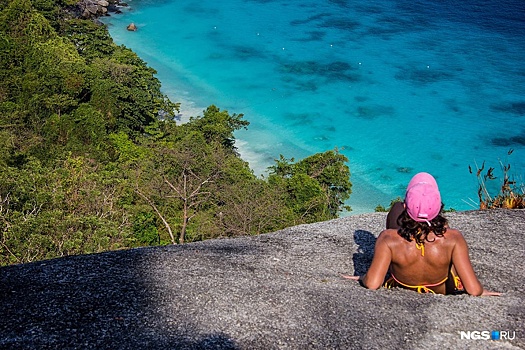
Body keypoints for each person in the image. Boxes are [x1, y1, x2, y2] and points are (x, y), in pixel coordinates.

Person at [344, 172, 501, 296]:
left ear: (405, 206)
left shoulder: (388, 239)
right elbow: (474, 290)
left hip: (403, 286)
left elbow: (372, 283)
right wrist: (483, 292)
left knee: (394, 209)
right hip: (443, 290)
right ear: (439, 207)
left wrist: (365, 276)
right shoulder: (454, 238)